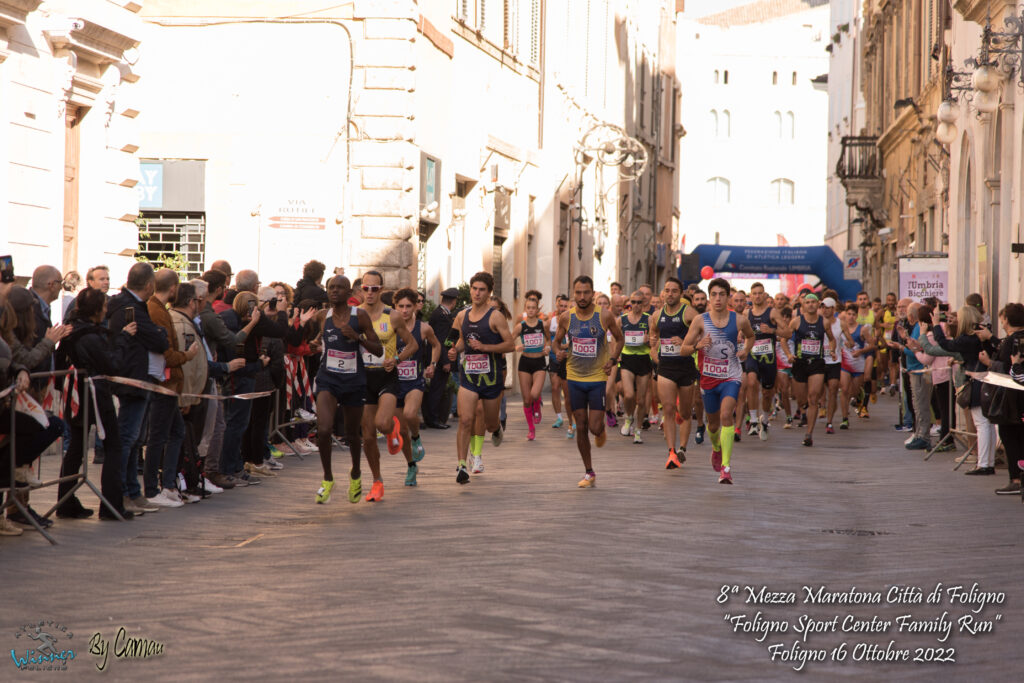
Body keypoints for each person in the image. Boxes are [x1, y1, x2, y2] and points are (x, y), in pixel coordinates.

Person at [55, 288, 137, 520]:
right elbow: (112, 364)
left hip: (77, 394)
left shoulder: (73, 329)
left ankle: (66, 502)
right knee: (113, 446)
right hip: (94, 394)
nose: (106, 311)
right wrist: (123, 339)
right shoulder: (89, 335)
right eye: (103, 307)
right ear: (96, 310)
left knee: (76, 447)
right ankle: (111, 505)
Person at [312, 276, 382, 504]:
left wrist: (358, 338)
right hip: (328, 380)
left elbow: (379, 350)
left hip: (353, 382)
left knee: (353, 434)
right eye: (331, 287)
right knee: (323, 429)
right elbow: (316, 340)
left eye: (339, 288)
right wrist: (315, 344)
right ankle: (327, 478)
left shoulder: (359, 316)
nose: (334, 291)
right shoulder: (323, 317)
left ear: (348, 291)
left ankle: (355, 473)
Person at [679, 278, 754, 484]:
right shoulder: (700, 321)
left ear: (728, 297)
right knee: (712, 426)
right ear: (709, 297)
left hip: (731, 376)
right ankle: (716, 448)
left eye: (722, 294)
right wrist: (697, 345)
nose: (718, 298)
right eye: (714, 294)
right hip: (708, 379)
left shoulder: (739, 320)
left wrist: (746, 350)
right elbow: (683, 349)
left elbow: (751, 336)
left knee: (726, 414)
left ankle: (726, 467)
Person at [106, 263, 167, 515]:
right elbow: (159, 340)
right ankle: (121, 492)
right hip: (131, 378)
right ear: (150, 285)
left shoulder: (130, 305)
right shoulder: (130, 308)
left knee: (134, 439)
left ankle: (132, 490)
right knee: (128, 438)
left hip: (135, 378)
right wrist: (158, 332)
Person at [553, 275, 623, 488]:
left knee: (593, 427)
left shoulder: (604, 316)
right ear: (574, 293)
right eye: (578, 293)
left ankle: (600, 431)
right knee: (580, 425)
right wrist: (557, 353)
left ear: (592, 293)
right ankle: (589, 471)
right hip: (574, 378)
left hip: (597, 378)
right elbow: (556, 342)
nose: (582, 297)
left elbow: (620, 339)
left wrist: (612, 359)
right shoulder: (566, 317)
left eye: (586, 293)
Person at [448, 272, 513, 483]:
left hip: (491, 378)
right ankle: (461, 465)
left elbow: (510, 344)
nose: (477, 293)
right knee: (466, 419)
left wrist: (485, 347)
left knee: (491, 423)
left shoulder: (495, 316)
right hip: (469, 376)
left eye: (482, 289)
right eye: (474, 288)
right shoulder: (462, 316)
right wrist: (455, 351)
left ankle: (495, 430)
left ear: (489, 292)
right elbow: (461, 340)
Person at [144, 270, 202, 507]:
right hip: (163, 383)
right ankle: (152, 488)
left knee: (175, 432)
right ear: (173, 288)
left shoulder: (160, 310)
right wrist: (186, 356)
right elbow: (165, 351)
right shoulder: (156, 311)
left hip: (170, 384)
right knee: (158, 436)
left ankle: (167, 484)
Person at [359, 270, 418, 500]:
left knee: (382, 423)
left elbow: (412, 345)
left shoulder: (392, 316)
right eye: (366, 288)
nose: (370, 293)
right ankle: (377, 481)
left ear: (381, 290)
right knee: (368, 436)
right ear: (361, 290)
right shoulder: (355, 315)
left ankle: (392, 429)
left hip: (386, 377)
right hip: (363, 379)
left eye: (374, 288)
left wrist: (396, 359)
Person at [931, 305, 994, 474]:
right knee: (986, 423)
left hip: (977, 381)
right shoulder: (981, 335)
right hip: (987, 380)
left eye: (959, 318)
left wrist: (937, 324)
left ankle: (984, 464)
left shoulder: (968, 339)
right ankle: (988, 461)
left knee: (981, 424)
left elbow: (945, 344)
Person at [649, 277, 698, 468]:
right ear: (663, 293)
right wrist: (656, 355)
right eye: (667, 290)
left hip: (686, 368)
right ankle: (671, 452)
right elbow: (653, 339)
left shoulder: (689, 313)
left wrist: (686, 341)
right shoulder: (657, 315)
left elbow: (702, 334)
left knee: (685, 412)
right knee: (668, 408)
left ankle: (683, 449)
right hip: (666, 368)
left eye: (674, 291)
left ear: (680, 293)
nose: (670, 294)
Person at [394, 287, 440, 477]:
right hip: (393, 383)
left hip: (415, 381)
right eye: (401, 306)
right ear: (395, 307)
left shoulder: (423, 328)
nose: (404, 310)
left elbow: (437, 345)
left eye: (408, 306)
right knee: (401, 429)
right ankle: (411, 465)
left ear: (415, 307)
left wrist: (433, 365)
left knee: (410, 414)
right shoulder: (388, 325)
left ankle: (416, 437)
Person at [786, 292, 836, 447]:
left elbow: (832, 339)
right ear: (803, 306)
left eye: (813, 302)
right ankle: (804, 408)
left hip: (817, 363)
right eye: (807, 303)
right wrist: (788, 354)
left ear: (818, 305)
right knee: (801, 399)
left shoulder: (824, 322)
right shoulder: (796, 322)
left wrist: (832, 350)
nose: (811, 305)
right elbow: (784, 338)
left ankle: (809, 434)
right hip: (800, 363)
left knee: (813, 398)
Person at [741, 282, 783, 441]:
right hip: (752, 354)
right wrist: (740, 335)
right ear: (750, 296)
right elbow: (741, 330)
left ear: (765, 295)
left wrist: (772, 331)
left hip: (769, 358)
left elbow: (787, 332)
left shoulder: (772, 313)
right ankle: (752, 421)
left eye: (760, 293)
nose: (757, 296)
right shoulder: (746, 314)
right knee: (751, 382)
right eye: (754, 293)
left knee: (767, 393)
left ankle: (764, 420)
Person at [618, 290, 652, 445]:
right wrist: (615, 354)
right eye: (634, 302)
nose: (636, 305)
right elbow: (616, 340)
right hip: (627, 359)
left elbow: (655, 341)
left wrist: (648, 341)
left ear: (644, 303)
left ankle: (638, 430)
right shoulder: (622, 319)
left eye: (640, 302)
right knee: (629, 395)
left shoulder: (649, 319)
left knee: (641, 399)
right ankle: (628, 417)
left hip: (644, 360)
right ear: (629, 303)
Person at [513, 295, 548, 440]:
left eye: (534, 308)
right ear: (525, 309)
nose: (531, 310)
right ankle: (531, 429)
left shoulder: (543, 324)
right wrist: (516, 347)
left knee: (534, 395)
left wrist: (548, 348)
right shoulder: (521, 326)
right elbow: (509, 340)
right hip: (525, 363)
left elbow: (550, 339)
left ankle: (537, 404)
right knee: (526, 399)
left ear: (537, 309)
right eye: (528, 308)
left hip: (539, 362)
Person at [424, 287, 458, 429]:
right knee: (436, 389)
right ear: (454, 301)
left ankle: (434, 418)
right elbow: (440, 340)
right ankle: (433, 419)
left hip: (438, 358)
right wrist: (445, 361)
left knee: (438, 388)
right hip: (438, 359)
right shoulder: (441, 316)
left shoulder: (442, 314)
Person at [838, 303, 876, 430]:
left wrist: (860, 351)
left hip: (858, 365)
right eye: (849, 314)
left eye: (853, 314)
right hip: (845, 364)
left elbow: (872, 345)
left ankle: (858, 397)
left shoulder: (862, 329)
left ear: (857, 316)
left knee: (852, 392)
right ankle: (844, 418)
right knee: (844, 390)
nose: (851, 317)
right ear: (845, 314)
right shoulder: (841, 328)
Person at [547, 294, 574, 437]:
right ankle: (559, 417)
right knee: (554, 387)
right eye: (561, 305)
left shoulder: (571, 320)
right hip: (554, 358)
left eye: (566, 306)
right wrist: (550, 348)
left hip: (568, 359)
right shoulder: (549, 322)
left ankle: (571, 420)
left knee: (568, 392)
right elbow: (549, 340)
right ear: (556, 305)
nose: (563, 308)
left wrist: (565, 347)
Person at [820, 296, 843, 435]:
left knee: (833, 390)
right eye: (823, 307)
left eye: (827, 307)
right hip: (819, 361)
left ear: (833, 309)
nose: (825, 310)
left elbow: (848, 338)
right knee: (815, 393)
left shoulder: (841, 324)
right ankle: (818, 406)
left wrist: (850, 344)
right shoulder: (817, 321)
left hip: (834, 361)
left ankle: (829, 422)